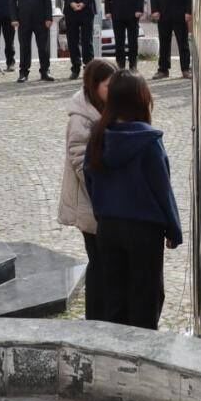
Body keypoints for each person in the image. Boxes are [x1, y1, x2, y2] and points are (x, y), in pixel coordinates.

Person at [84, 70, 182, 328]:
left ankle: (116, 349)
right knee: (146, 300)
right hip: (143, 230)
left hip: (109, 226)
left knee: (115, 300)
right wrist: (173, 228)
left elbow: (89, 178)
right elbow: (162, 188)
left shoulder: (98, 136)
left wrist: (102, 212)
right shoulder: (148, 141)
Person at [62, 59, 116, 321]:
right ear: (94, 86)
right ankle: (95, 319)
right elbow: (79, 159)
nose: (112, 90)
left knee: (108, 264)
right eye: (108, 85)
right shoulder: (81, 117)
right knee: (98, 263)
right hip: (91, 202)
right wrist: (103, 189)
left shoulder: (107, 107)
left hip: (106, 203)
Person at [150, 0, 192, 79]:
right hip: (163, 14)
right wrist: (154, 10)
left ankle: (186, 69)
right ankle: (163, 69)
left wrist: (189, 12)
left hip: (180, 14)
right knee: (164, 43)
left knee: (183, 43)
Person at [12, 0, 54, 83]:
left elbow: (47, 0)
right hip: (23, 20)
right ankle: (23, 73)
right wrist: (14, 18)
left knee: (43, 47)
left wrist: (49, 18)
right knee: (24, 47)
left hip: (41, 20)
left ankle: (45, 71)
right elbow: (11, 1)